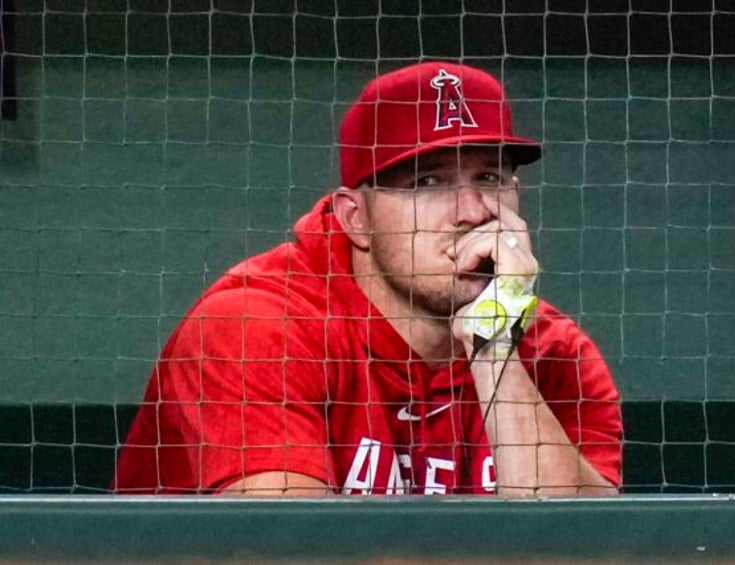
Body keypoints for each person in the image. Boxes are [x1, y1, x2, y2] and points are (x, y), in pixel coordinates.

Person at [112, 61, 622, 497]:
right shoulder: (255, 327)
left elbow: (590, 549)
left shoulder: (556, 355)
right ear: (356, 217)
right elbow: (291, 550)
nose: (472, 211)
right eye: (428, 182)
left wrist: (493, 345)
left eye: (490, 177)